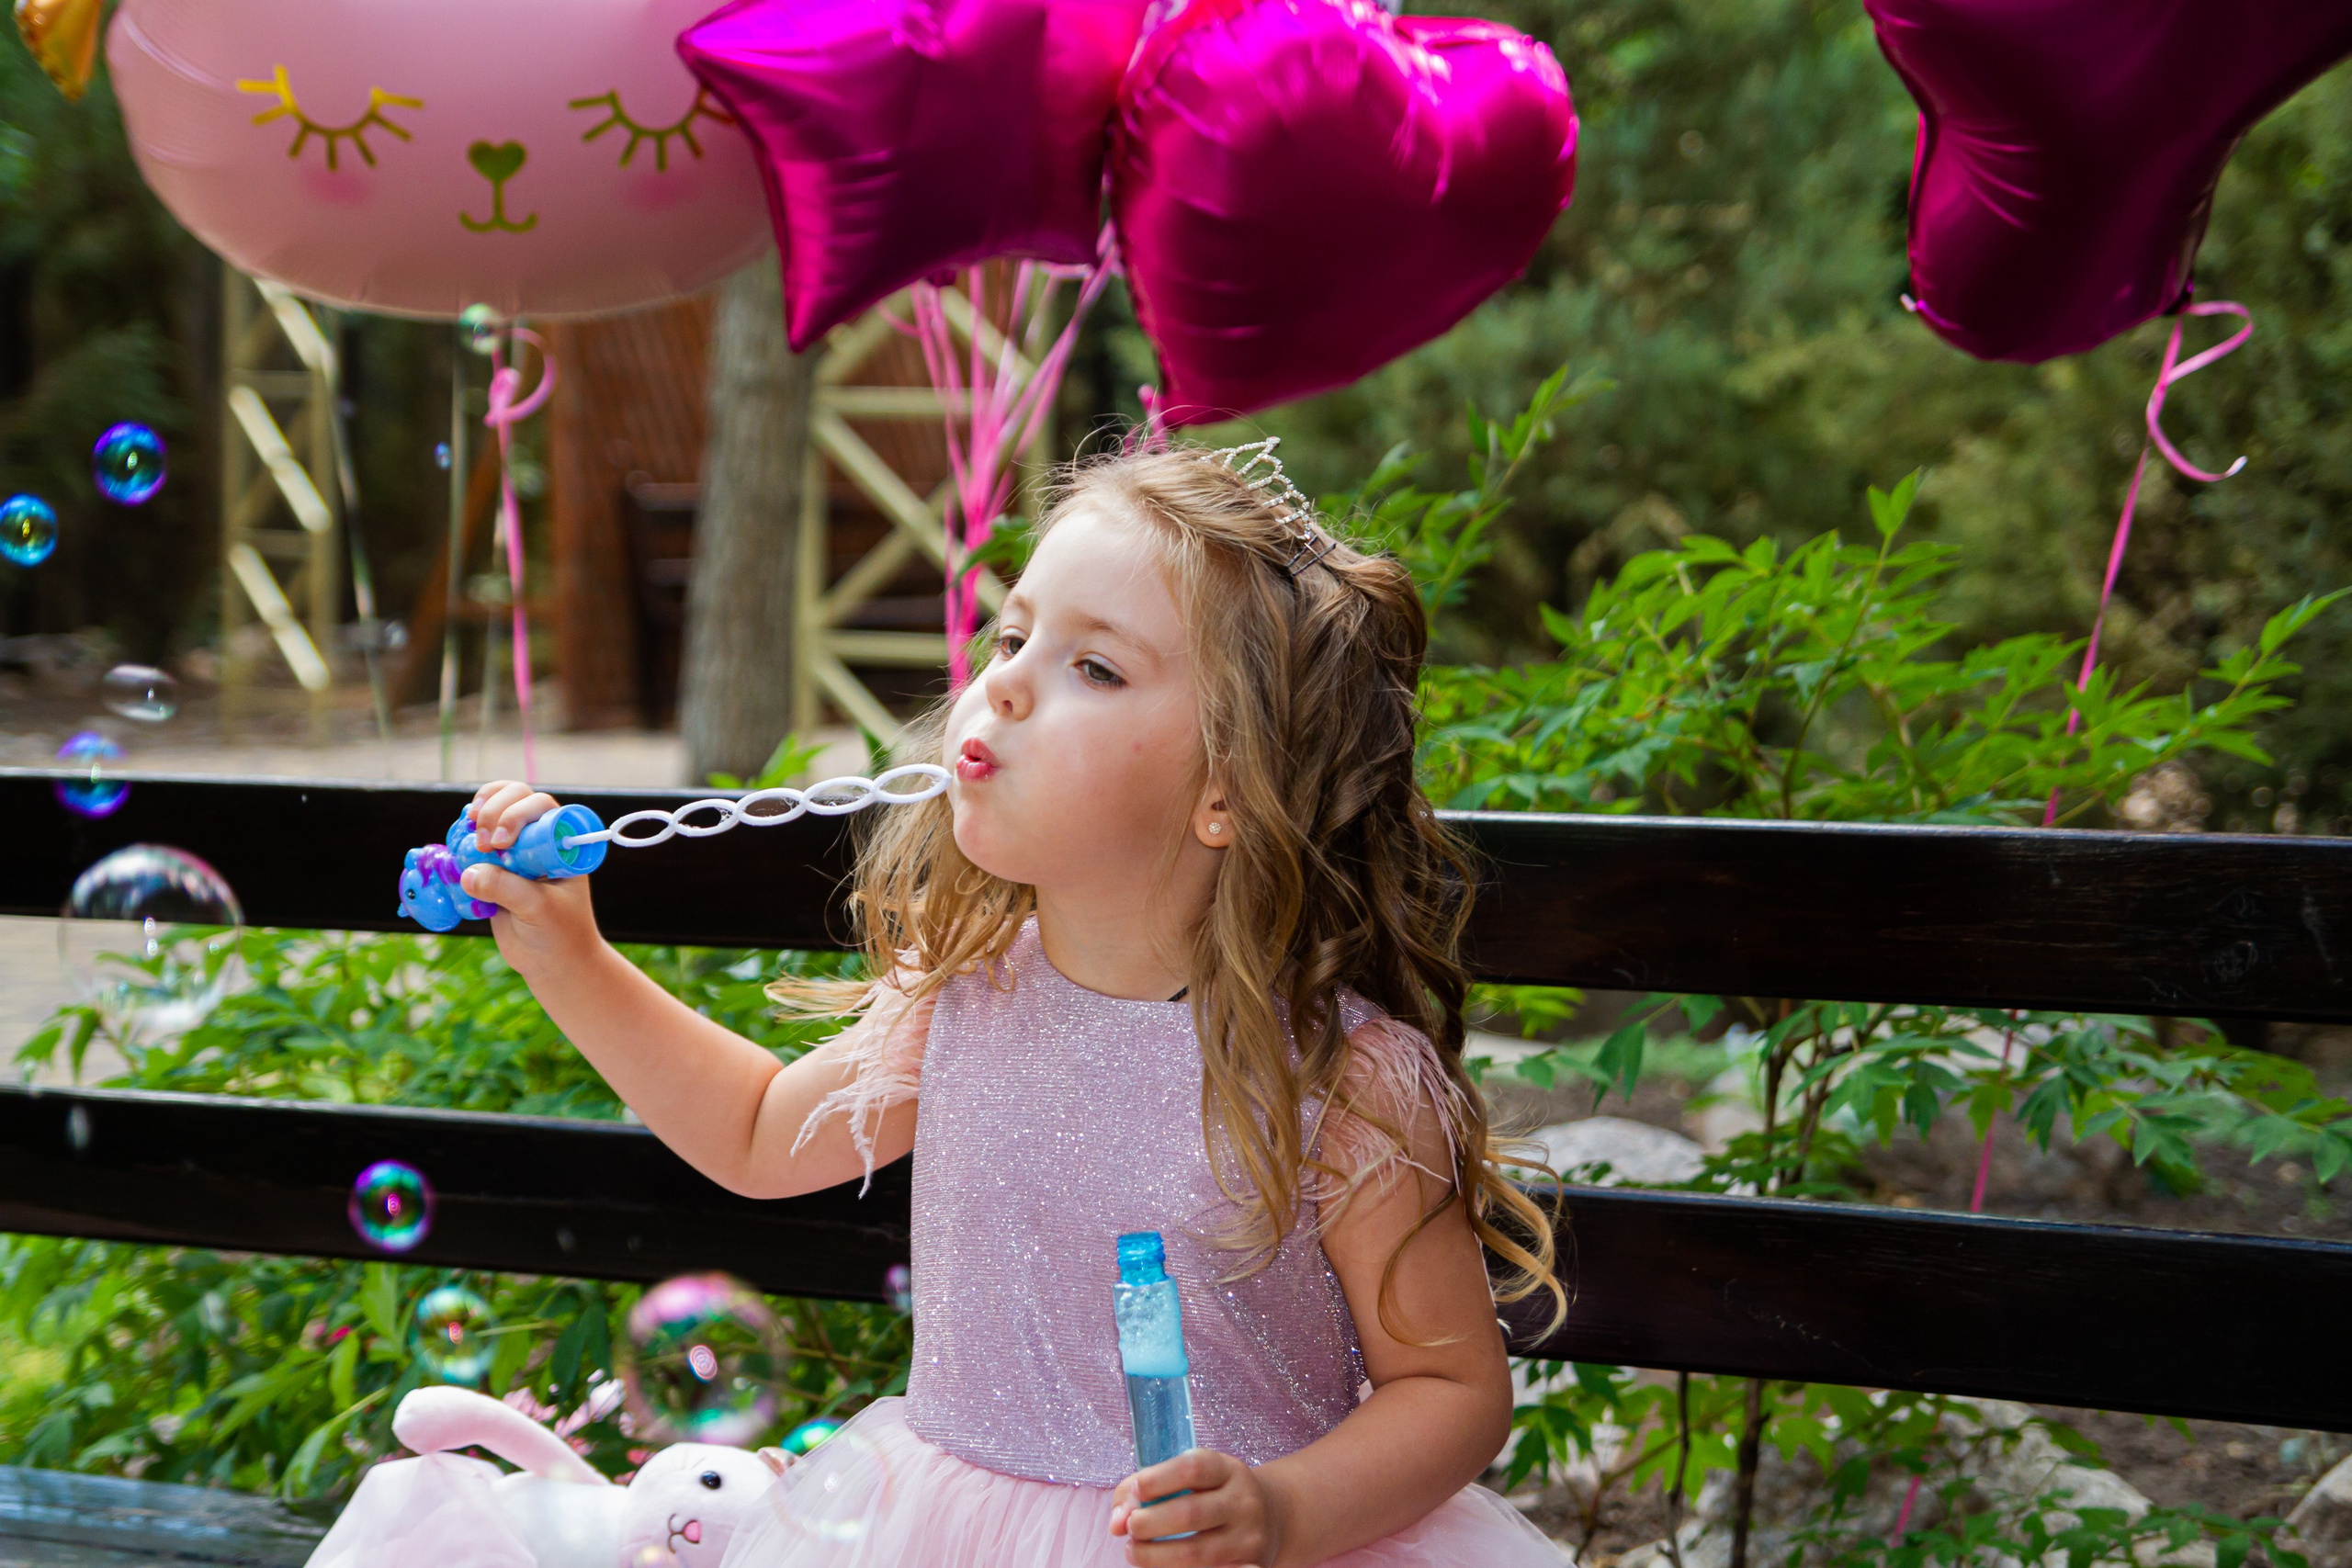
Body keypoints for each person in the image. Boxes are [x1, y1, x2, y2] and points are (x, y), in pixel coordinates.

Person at [458, 437, 1566, 1568]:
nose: (1005, 679)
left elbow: (1450, 1386)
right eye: (1014, 633)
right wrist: (569, 958)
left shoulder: (1343, 1080)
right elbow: (753, 1134)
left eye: (1096, 668)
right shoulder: (966, 997)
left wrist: (1283, 1512)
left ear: (1229, 791)